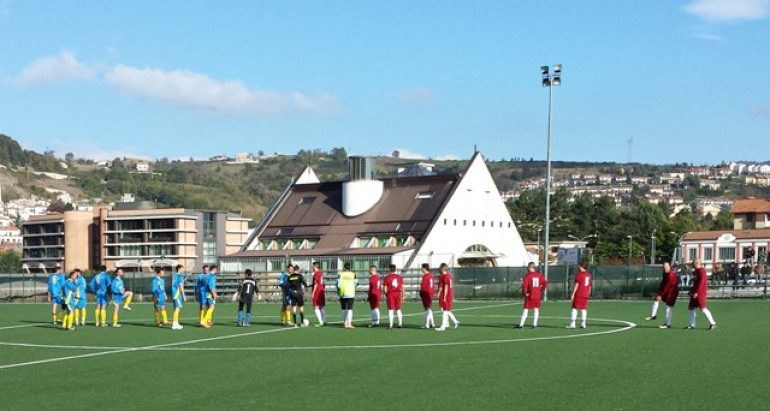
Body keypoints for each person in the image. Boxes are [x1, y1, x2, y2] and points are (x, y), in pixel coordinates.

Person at [645, 262, 679, 328]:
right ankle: (653, 315)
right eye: (664, 267)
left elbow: (667, 286)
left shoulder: (671, 275)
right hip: (667, 291)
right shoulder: (665, 273)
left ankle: (667, 324)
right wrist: (658, 293)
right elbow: (663, 284)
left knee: (668, 307)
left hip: (672, 293)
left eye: (666, 267)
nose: (665, 268)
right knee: (656, 300)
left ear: (669, 267)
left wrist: (660, 295)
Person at [687, 258, 717, 330]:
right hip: (695, 292)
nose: (692, 264)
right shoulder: (696, 271)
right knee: (691, 308)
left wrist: (697, 292)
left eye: (693, 262)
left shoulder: (702, 270)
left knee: (703, 308)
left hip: (700, 293)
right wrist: (692, 291)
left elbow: (702, 283)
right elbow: (696, 283)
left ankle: (713, 323)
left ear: (697, 263)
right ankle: (692, 325)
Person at [517, 262, 548, 329]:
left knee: (526, 309)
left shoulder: (528, 276)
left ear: (530, 267)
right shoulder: (539, 275)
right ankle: (534, 324)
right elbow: (545, 283)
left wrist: (525, 293)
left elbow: (524, 285)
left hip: (530, 295)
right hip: (537, 295)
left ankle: (521, 324)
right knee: (536, 309)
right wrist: (541, 290)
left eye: (528, 267)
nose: (527, 269)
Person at [567, 262, 592, 329]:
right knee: (584, 309)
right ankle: (583, 323)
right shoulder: (589, 275)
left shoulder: (579, 275)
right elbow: (590, 286)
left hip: (579, 294)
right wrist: (588, 294)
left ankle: (572, 323)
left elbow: (576, 285)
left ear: (581, 267)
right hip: (585, 294)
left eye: (579, 266)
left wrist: (573, 294)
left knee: (574, 308)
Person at [436, 263, 459, 331]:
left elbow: (446, 287)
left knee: (445, 311)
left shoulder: (446, 276)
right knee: (446, 310)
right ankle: (455, 321)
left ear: (443, 268)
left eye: (440, 267)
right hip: (448, 294)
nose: (439, 268)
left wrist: (444, 296)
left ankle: (443, 326)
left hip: (447, 295)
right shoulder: (448, 276)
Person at [336, 262, 358, 329]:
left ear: (344, 267)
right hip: (351, 293)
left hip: (343, 293)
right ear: (350, 268)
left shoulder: (340, 274)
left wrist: (338, 291)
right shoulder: (353, 274)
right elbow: (356, 283)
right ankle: (349, 324)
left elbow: (338, 284)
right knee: (350, 309)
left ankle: (345, 323)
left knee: (343, 308)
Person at [383, 264, 404, 329]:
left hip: (390, 294)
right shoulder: (399, 277)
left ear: (389, 269)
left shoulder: (387, 278)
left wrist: (386, 294)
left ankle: (391, 325)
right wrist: (403, 295)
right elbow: (402, 287)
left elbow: (385, 289)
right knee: (398, 309)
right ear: (395, 269)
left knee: (391, 310)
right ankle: (400, 324)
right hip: (398, 294)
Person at [419, 263, 435, 329]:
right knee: (428, 308)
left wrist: (421, 293)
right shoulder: (431, 275)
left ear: (425, 268)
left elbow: (423, 287)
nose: (421, 269)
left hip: (426, 294)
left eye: (422, 268)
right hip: (430, 293)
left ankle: (427, 324)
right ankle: (432, 323)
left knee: (427, 309)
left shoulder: (425, 276)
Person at [310, 262, 327, 327]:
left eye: (312, 266)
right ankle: (324, 321)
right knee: (321, 306)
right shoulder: (321, 273)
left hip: (317, 291)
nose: (312, 268)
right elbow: (323, 283)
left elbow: (316, 284)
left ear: (315, 266)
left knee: (316, 307)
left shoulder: (316, 274)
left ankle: (320, 322)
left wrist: (313, 293)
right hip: (321, 291)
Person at [171, 264, 186, 330]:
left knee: (175, 308)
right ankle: (174, 324)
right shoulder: (180, 276)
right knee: (177, 308)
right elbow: (181, 286)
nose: (183, 269)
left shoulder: (174, 276)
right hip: (177, 294)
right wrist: (183, 295)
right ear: (179, 269)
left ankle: (176, 323)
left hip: (174, 294)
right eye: (182, 268)